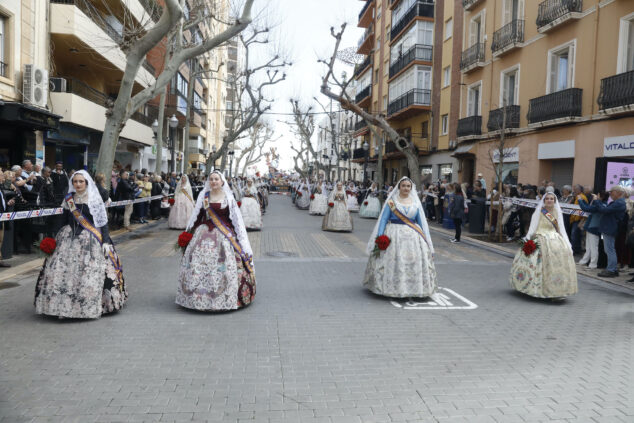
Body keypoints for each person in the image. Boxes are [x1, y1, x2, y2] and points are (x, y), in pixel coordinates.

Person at [34, 170, 127, 318]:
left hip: (91, 239)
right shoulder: (69, 199)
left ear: (87, 182)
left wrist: (105, 241)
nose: (77, 184)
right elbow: (62, 220)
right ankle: (62, 307)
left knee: (89, 271)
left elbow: (102, 223)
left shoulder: (95, 199)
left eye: (80, 181)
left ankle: (88, 305)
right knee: (62, 272)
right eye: (75, 182)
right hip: (67, 237)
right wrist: (53, 238)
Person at [176, 171, 256, 311]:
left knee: (225, 265)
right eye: (211, 179)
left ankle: (225, 297)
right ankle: (197, 298)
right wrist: (188, 234)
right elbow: (198, 215)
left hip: (224, 235)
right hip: (204, 233)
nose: (213, 181)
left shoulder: (228, 197)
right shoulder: (204, 196)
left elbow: (235, 220)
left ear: (222, 181)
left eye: (216, 179)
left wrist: (238, 238)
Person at [362, 177, 436, 298]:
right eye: (403, 186)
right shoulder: (392, 202)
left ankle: (413, 288)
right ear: (399, 187)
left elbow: (421, 222)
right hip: (394, 235)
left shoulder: (416, 202)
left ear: (411, 188)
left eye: (408, 186)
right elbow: (384, 219)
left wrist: (426, 241)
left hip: (414, 238)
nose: (406, 188)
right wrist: (380, 236)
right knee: (394, 260)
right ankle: (391, 286)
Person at [509, 192, 577, 299]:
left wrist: (568, 244)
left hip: (555, 240)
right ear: (544, 200)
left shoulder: (557, 212)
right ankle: (535, 289)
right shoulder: (539, 212)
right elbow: (532, 227)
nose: (549, 200)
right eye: (547, 199)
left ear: (554, 201)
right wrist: (527, 241)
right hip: (540, 238)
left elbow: (562, 229)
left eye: (552, 199)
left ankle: (557, 291)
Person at [578, 185, 626, 277]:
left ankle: (611, 270)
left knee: (609, 249)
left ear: (618, 193)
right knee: (608, 249)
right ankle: (612, 268)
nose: (610, 193)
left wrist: (597, 201)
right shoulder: (617, 202)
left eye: (612, 192)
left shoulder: (619, 203)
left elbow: (604, 210)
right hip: (607, 229)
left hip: (609, 229)